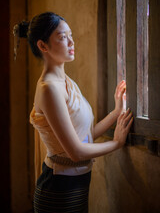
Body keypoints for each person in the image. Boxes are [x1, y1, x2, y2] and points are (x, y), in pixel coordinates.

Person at [13, 12, 133, 213]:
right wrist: (116, 143)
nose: (71, 41)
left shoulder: (66, 82)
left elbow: (85, 135)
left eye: (71, 35)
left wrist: (116, 111)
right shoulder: (48, 88)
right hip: (58, 188)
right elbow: (76, 152)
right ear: (43, 46)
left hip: (78, 183)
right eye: (62, 37)